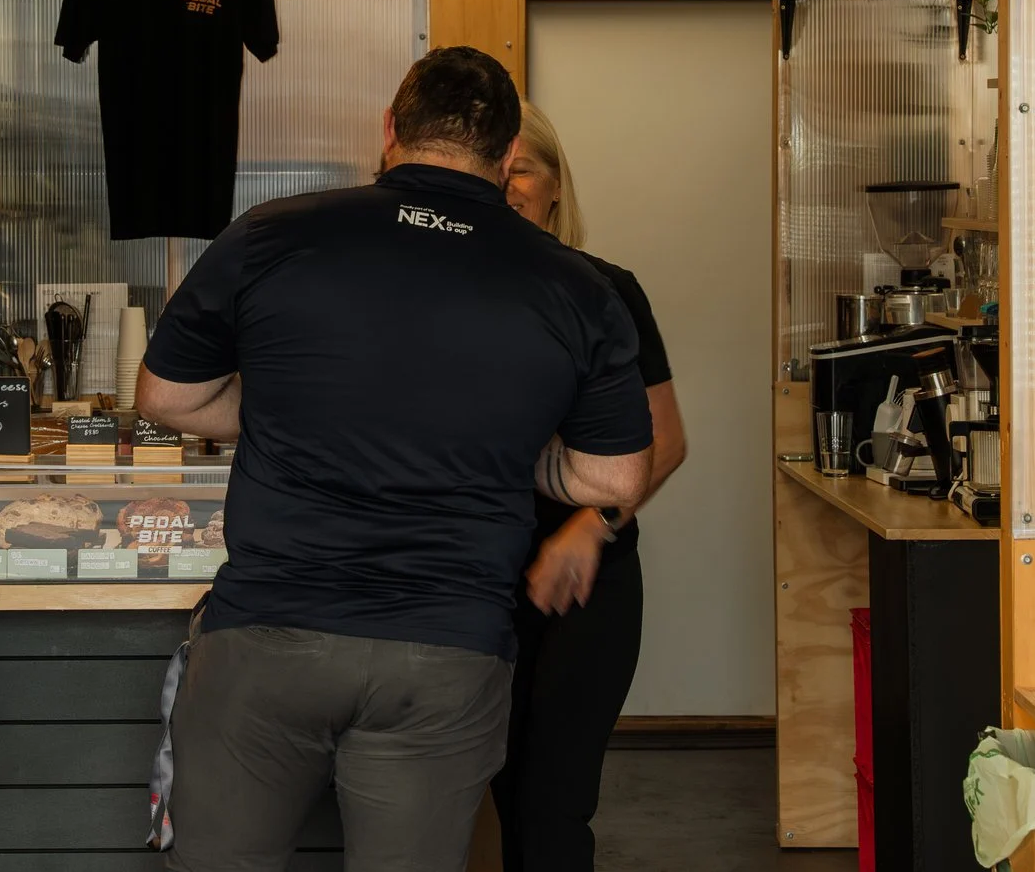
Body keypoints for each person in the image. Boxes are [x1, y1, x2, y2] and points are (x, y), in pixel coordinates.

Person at [138, 46, 655, 872]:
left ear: (389, 129)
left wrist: (303, 414)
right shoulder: (575, 286)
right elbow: (617, 477)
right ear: (510, 151)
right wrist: (478, 440)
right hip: (445, 652)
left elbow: (166, 397)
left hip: (268, 635)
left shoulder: (272, 235)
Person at [491, 101, 690, 872]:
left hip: (587, 584)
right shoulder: (456, 289)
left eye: (525, 169)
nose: (509, 185)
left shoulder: (606, 289)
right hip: (478, 576)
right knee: (497, 791)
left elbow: (665, 440)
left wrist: (591, 522)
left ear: (554, 186)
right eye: (496, 169)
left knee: (555, 801)